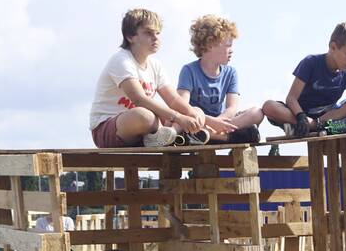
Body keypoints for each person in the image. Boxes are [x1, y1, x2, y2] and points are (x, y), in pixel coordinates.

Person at [88, 8, 208, 149]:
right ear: (130, 37)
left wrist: (192, 115)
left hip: (147, 130)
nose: (155, 38)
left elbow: (173, 100)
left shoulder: (155, 65)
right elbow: (139, 99)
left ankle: (172, 135)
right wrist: (179, 118)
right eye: (148, 33)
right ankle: (173, 135)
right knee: (145, 116)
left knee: (196, 111)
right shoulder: (121, 60)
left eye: (157, 33)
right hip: (110, 127)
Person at [177, 15, 263, 145]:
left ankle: (208, 135)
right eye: (228, 45)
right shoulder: (189, 70)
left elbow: (232, 107)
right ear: (210, 44)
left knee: (257, 113)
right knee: (184, 119)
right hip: (199, 121)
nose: (231, 51)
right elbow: (182, 106)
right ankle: (226, 137)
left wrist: (218, 123)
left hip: (221, 122)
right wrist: (211, 122)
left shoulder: (231, 72)